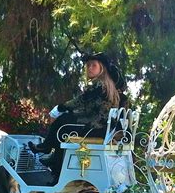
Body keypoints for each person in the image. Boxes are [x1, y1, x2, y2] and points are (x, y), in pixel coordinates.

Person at [28, 53, 127, 182]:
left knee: (63, 124)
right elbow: (88, 108)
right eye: (88, 65)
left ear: (101, 68)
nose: (89, 68)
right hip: (101, 126)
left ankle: (52, 159)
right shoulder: (107, 86)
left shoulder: (99, 84)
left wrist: (60, 108)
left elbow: (80, 101)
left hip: (97, 127)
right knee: (65, 122)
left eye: (93, 65)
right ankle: (54, 158)